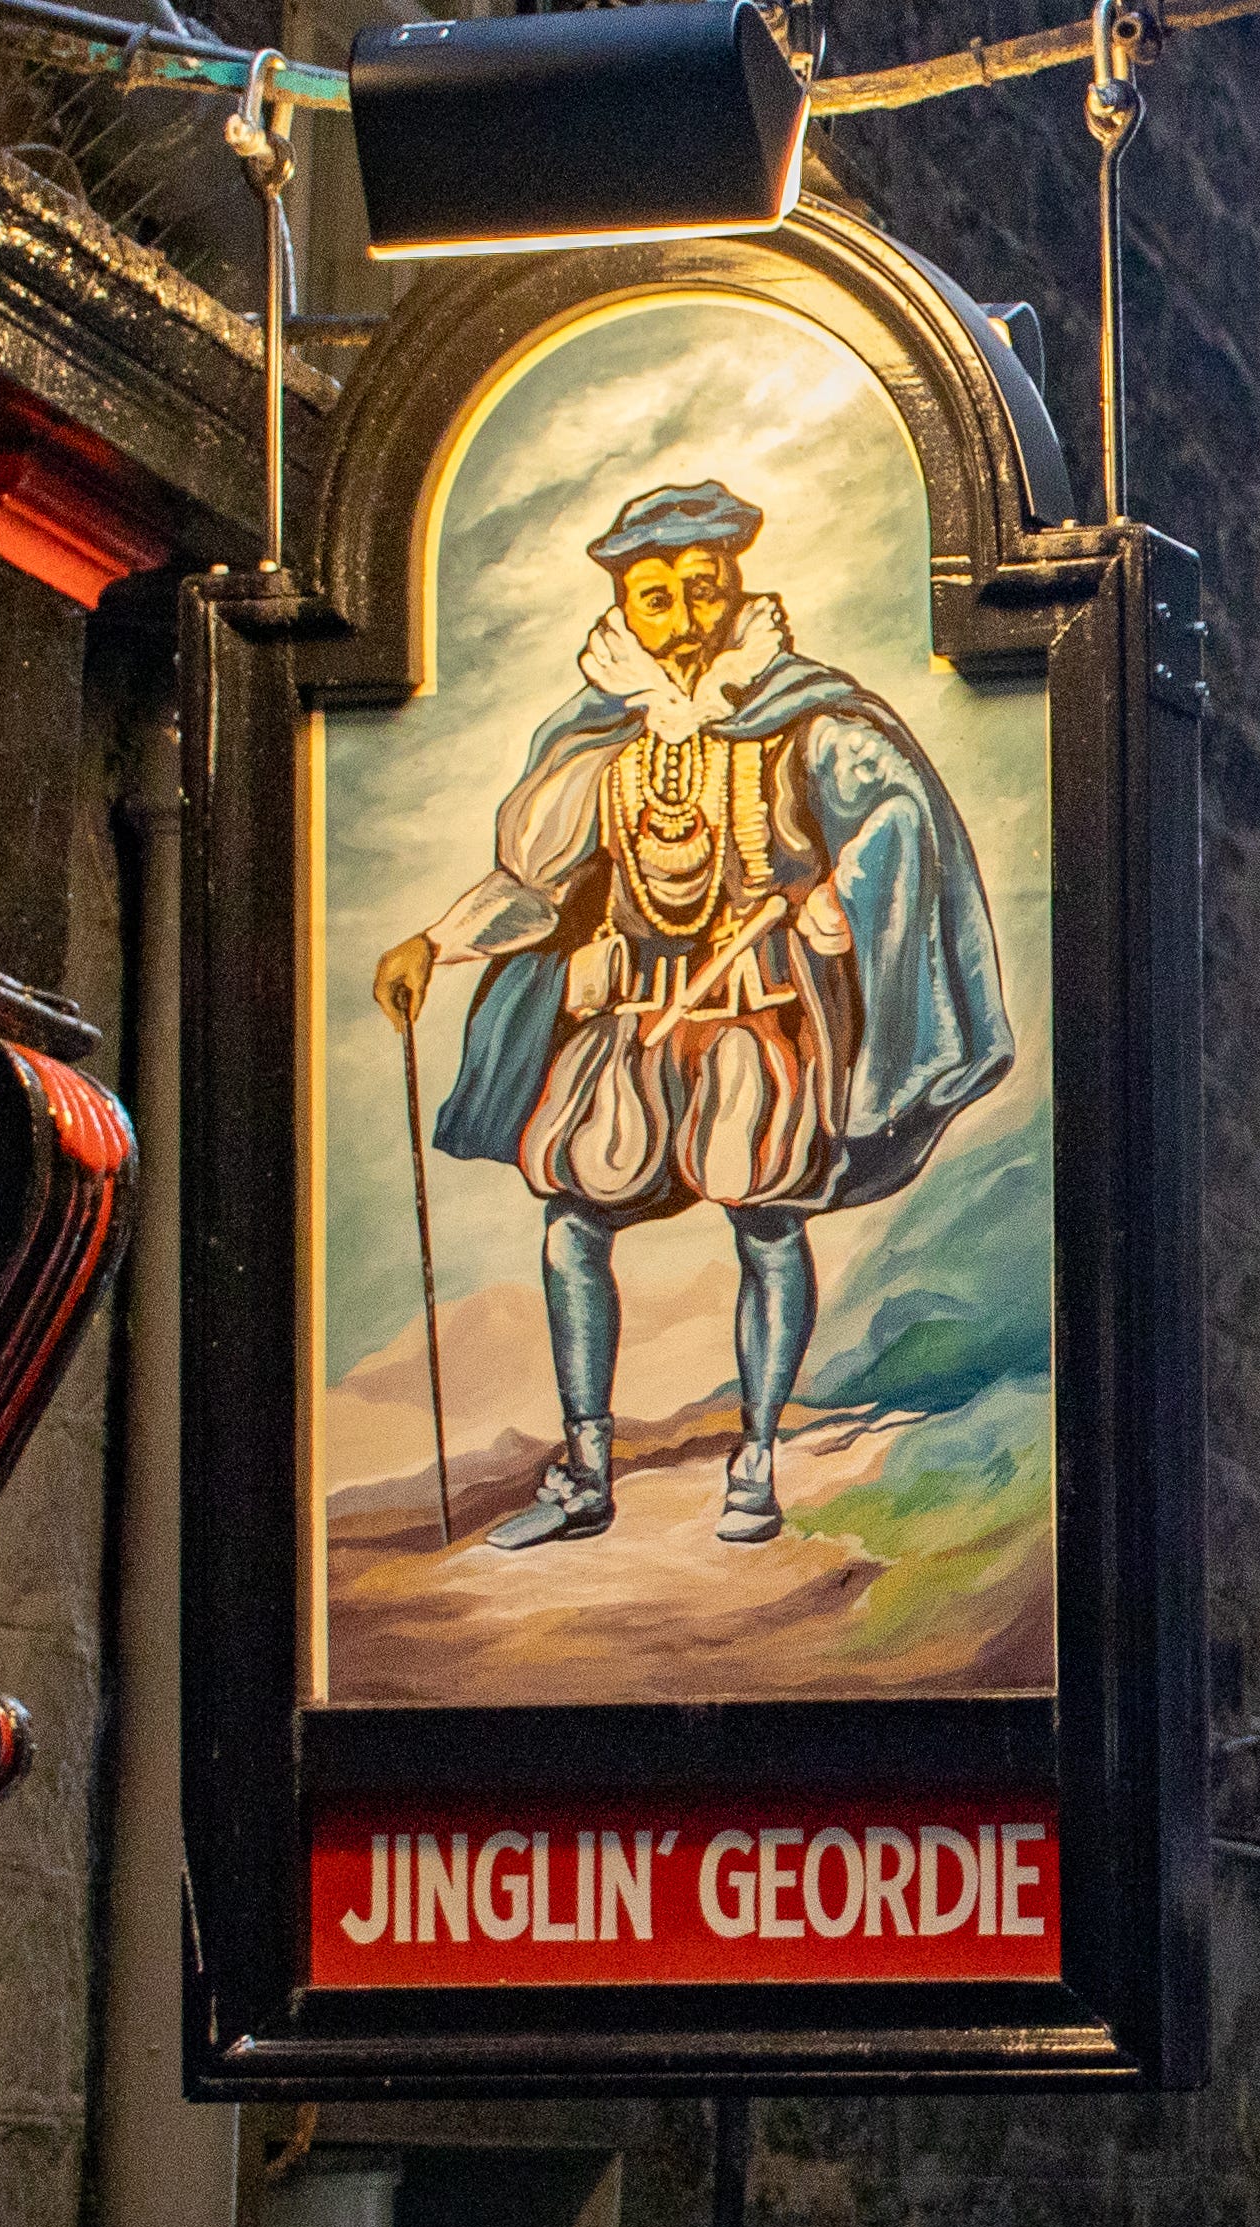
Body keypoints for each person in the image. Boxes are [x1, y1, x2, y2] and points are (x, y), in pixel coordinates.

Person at [373, 478, 1019, 1548]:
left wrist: (833, 900)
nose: (680, 620)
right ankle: (585, 1468)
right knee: (574, 1223)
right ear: (627, 604)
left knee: (766, 1221)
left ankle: (757, 1456)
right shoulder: (599, 737)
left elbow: (900, 813)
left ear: (732, 592)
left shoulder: (799, 717)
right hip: (629, 1013)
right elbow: (534, 882)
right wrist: (435, 943)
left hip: (754, 1012)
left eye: (700, 591)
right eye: (655, 597)